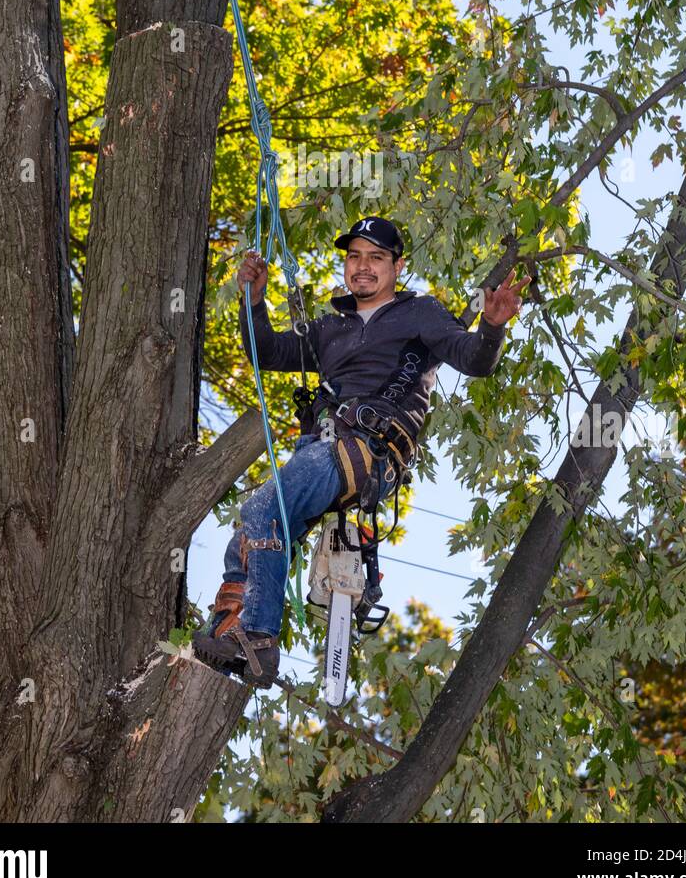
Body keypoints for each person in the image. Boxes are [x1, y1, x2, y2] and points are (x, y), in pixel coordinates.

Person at [192, 216, 528, 686]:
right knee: (251, 529)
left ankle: (259, 639)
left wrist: (491, 327)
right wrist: (253, 300)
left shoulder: (421, 314)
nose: (363, 267)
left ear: (397, 266)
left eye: (376, 258)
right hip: (320, 450)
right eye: (354, 256)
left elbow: (472, 359)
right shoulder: (330, 328)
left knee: (265, 505)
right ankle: (229, 632)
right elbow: (266, 352)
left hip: (367, 450)